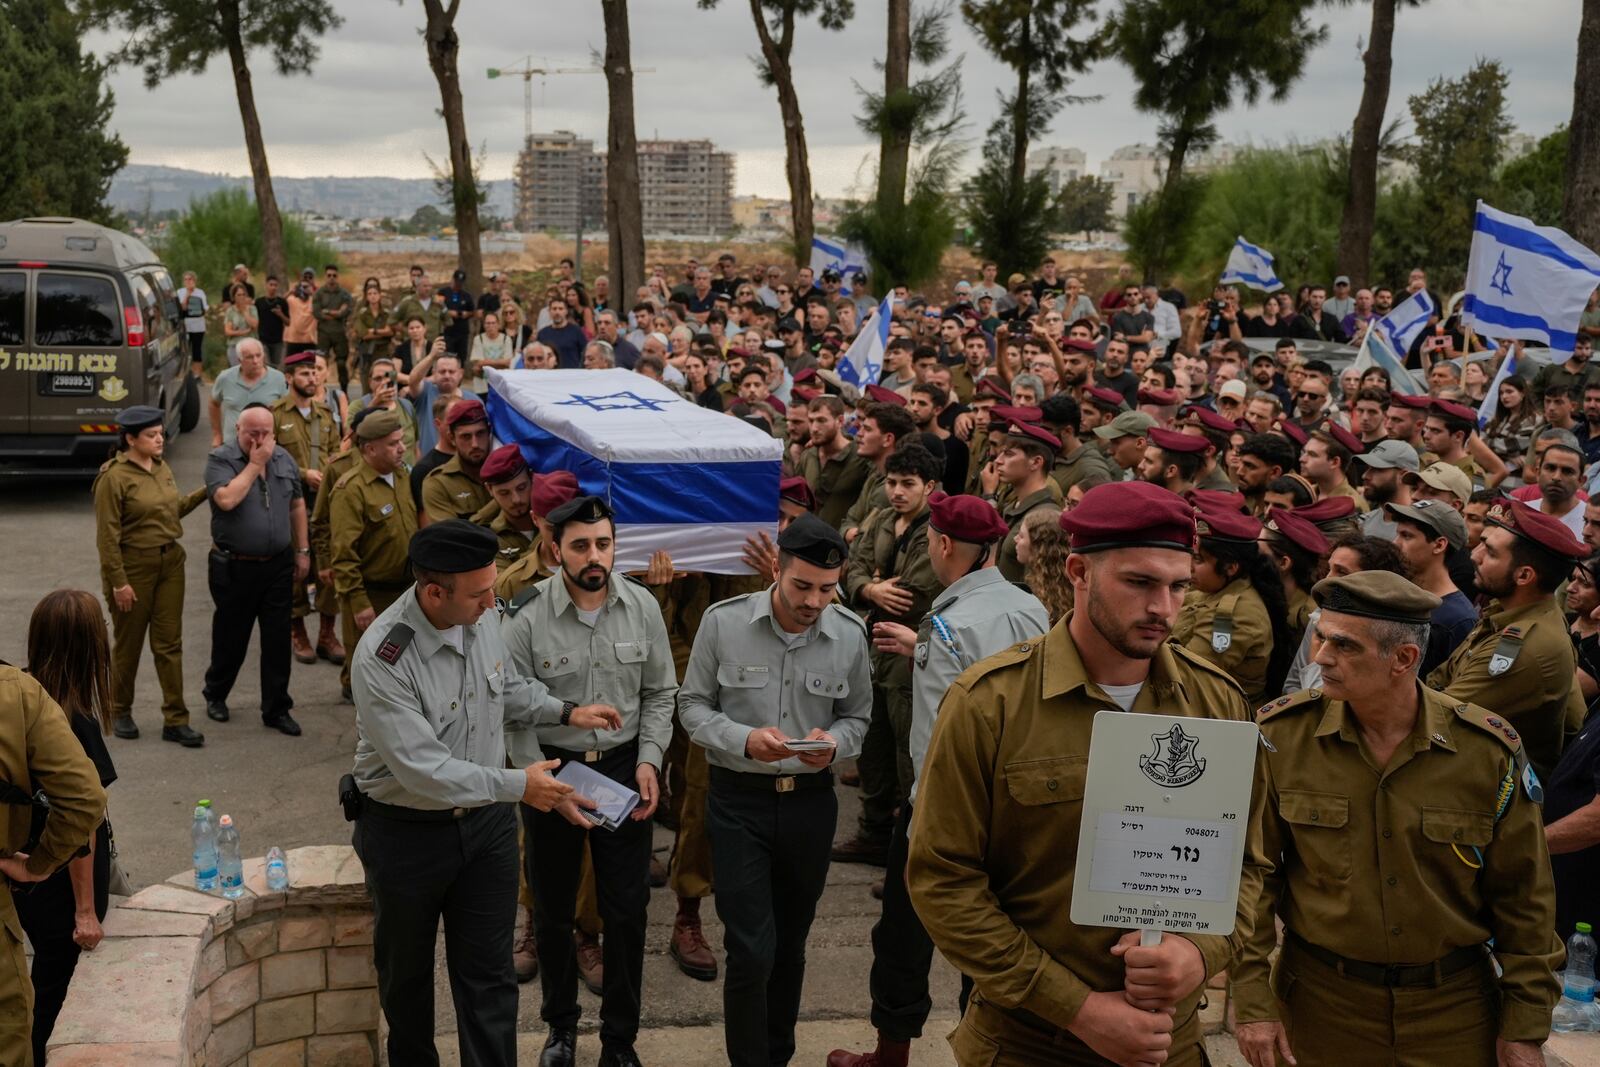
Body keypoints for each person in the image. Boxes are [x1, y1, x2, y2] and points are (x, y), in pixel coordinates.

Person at [907, 482, 1265, 1066]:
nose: (1164, 609)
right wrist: (1078, 1008)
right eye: (1141, 582)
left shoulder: (1215, 702)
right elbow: (942, 881)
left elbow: (1250, 860)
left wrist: (1201, 952)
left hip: (1169, 1045)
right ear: (1078, 571)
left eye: (1178, 585)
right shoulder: (990, 703)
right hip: (1030, 1043)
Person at [1234, 570, 1561, 1067]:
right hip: (1323, 1005)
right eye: (1322, 637)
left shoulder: (1484, 751)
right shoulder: (1282, 738)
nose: (1320, 657)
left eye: (1344, 646)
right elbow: (1253, 879)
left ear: (1404, 659)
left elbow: (1525, 898)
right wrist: (1253, 1003)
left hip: (1452, 1012)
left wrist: (1525, 1026)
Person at [349, 520, 621, 1066]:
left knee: (490, 981)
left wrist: (565, 710)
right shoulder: (383, 659)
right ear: (433, 593)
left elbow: (505, 687)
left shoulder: (478, 610)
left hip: (487, 829)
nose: (492, 601)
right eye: (479, 594)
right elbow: (423, 770)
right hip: (407, 835)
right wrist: (522, 785)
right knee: (406, 983)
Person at [828, 493, 1048, 1067]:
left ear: (945, 545)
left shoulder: (949, 623)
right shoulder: (1030, 609)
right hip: (1014, 812)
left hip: (944, 811)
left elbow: (936, 736)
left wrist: (918, 808)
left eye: (929, 540)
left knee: (903, 937)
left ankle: (890, 1053)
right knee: (995, 948)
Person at [677, 514, 872, 1067]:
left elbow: (859, 716)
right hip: (740, 801)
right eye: (802, 586)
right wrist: (742, 739)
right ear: (777, 571)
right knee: (751, 950)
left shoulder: (849, 634)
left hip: (810, 805)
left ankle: (777, 1054)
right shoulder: (724, 623)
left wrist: (833, 742)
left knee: (790, 945)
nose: (814, 601)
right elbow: (691, 706)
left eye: (827, 590)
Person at [499, 497, 677, 1067]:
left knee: (626, 910)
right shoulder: (525, 614)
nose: (594, 556)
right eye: (580, 545)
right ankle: (561, 1032)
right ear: (555, 550)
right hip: (555, 772)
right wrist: (535, 779)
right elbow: (510, 706)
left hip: (623, 771)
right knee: (551, 910)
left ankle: (620, 1040)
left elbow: (659, 693)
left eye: (602, 543)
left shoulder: (643, 606)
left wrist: (650, 758)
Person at [12, 591, 118, 1064]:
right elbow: (82, 822)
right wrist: (85, 910)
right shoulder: (75, 721)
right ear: (89, 647)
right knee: (57, 985)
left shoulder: (24, 693)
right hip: (57, 877)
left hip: (26, 866)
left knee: (43, 977)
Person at [834, 445, 945, 867]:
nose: (896, 491)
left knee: (906, 746)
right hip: (873, 645)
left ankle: (908, 849)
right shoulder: (880, 518)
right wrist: (871, 587)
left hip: (907, 649)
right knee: (871, 740)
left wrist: (872, 588)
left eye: (907, 484)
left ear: (929, 487)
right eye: (892, 482)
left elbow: (913, 594)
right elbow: (852, 568)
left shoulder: (934, 527)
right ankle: (872, 830)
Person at [1428, 497, 1589, 783]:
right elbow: (1439, 679)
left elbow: (1433, 717)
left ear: (1524, 575)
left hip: (1484, 790)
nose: (1474, 556)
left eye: (1489, 552)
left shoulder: (1526, 647)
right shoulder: (1509, 613)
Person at [93, 405, 208, 746]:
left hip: (170, 562)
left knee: (169, 644)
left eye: (160, 433)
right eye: (152, 435)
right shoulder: (113, 478)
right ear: (130, 439)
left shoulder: (160, 467)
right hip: (133, 567)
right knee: (129, 645)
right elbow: (107, 538)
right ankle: (119, 709)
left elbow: (173, 512)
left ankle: (175, 718)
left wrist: (208, 491)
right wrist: (119, 583)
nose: (160, 439)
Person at [201, 404, 309, 736]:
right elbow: (227, 500)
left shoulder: (283, 459)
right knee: (231, 637)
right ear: (238, 430)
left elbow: (297, 504)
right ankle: (216, 694)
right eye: (253, 433)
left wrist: (303, 550)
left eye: (266, 433)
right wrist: (255, 464)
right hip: (236, 566)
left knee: (277, 640)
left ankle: (276, 708)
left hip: (278, 563)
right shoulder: (220, 460)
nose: (260, 440)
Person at [329, 409, 420, 691]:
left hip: (404, 589)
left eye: (401, 440)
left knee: (400, 662)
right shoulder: (351, 489)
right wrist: (359, 602)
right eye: (393, 444)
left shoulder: (403, 476)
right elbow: (343, 555)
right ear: (370, 448)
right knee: (364, 665)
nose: (402, 448)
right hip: (371, 592)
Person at [1175, 504, 1290, 704]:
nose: (1189, 567)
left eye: (1199, 560)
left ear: (1230, 567)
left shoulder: (1234, 614)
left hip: (1226, 717)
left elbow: (1184, 674)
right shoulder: (1212, 590)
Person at [1386, 499, 1477, 675]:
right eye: (1398, 534)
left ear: (1439, 545)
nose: (1395, 543)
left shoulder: (1458, 620)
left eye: (1407, 536)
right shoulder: (1396, 595)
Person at [421, 399, 494, 524]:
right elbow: (454, 538)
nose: (475, 444)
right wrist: (499, 502)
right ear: (452, 438)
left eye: (480, 433)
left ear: (489, 432)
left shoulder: (507, 472)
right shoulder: (438, 483)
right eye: (466, 437)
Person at [210, 339, 287, 447]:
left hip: (266, 444)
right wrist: (217, 434)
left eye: (258, 355)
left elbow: (288, 410)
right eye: (249, 357)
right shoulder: (225, 378)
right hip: (233, 444)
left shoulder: (278, 378)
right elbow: (214, 404)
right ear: (239, 360)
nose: (255, 361)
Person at [538, 295, 587, 369]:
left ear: (566, 311)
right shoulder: (542, 333)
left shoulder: (576, 331)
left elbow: (585, 353)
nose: (557, 312)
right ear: (549, 312)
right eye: (554, 309)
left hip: (572, 375)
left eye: (560, 309)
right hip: (549, 376)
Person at [177, 270, 208, 372]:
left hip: (198, 325)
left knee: (197, 351)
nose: (188, 281)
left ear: (194, 280)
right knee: (184, 350)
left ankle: (197, 374)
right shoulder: (180, 292)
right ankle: (184, 372)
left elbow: (205, 308)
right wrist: (188, 294)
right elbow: (182, 308)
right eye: (185, 279)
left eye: (190, 279)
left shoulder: (200, 292)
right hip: (186, 325)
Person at [255, 275, 290, 367]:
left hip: (277, 340)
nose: (273, 287)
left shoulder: (282, 302)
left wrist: (280, 314)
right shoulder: (259, 302)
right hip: (263, 339)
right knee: (266, 364)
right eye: (271, 285)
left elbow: (288, 322)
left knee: (276, 365)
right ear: (266, 285)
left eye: (275, 285)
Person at [222, 284, 259, 366]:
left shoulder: (252, 309)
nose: (241, 297)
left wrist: (244, 312)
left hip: (250, 345)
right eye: (239, 295)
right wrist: (243, 332)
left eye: (243, 294)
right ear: (234, 297)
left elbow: (254, 325)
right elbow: (228, 331)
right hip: (235, 345)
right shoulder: (230, 311)